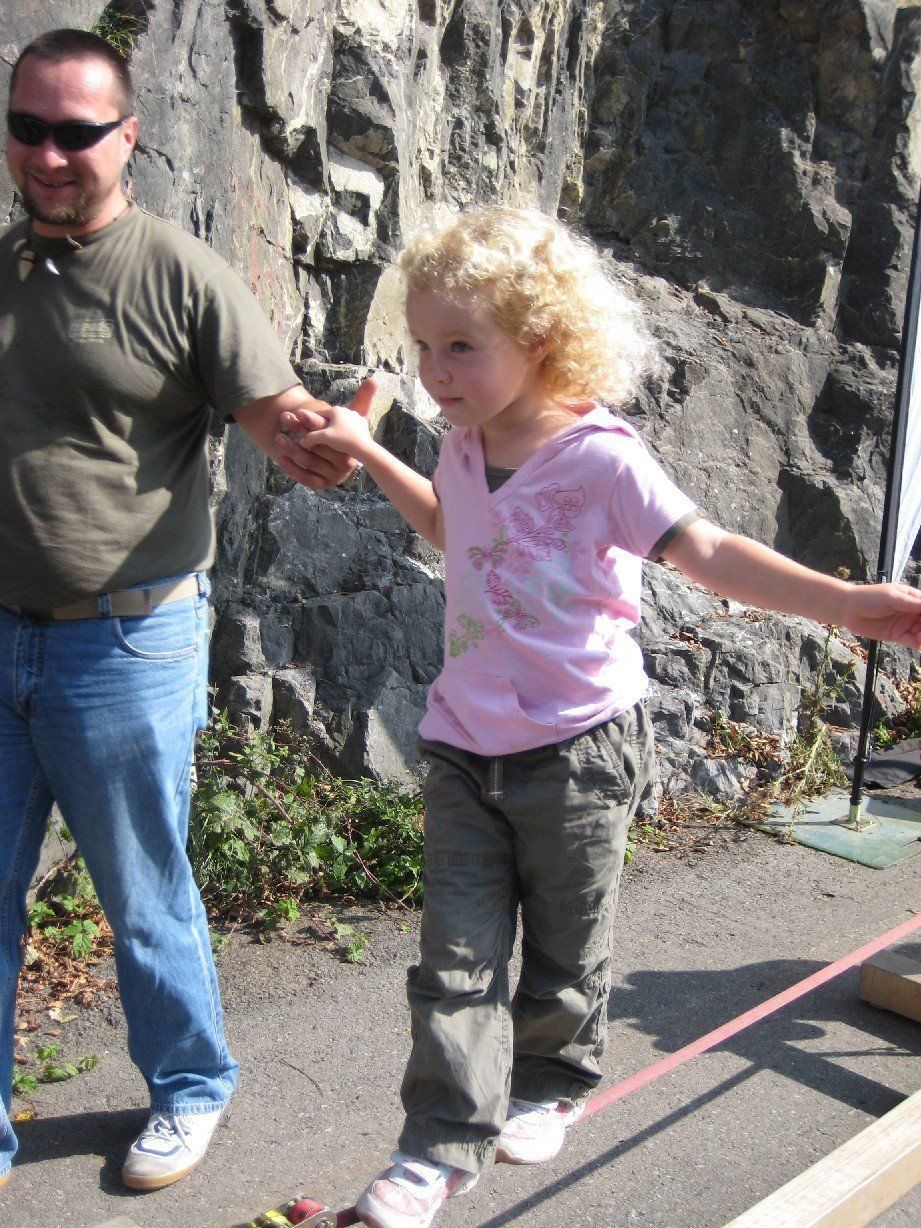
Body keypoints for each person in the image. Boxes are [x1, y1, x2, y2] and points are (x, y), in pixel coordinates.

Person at [288, 205, 921, 1228]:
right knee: (452, 961)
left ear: (540, 339)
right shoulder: (462, 442)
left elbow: (708, 553)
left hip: (578, 748)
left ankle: (551, 1083)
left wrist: (844, 602)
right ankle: (434, 1148)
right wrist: (367, 448)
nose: (435, 371)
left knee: (564, 945)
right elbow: (454, 530)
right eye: (424, 346)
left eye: (461, 347)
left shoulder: (602, 459)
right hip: (462, 745)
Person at [0, 29, 367, 1194]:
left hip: (125, 638)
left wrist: (319, 442)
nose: (48, 154)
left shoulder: (179, 274)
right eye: (27, 127)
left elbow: (275, 416)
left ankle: (191, 1087)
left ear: (129, 136)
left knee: (143, 892)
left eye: (75, 132)